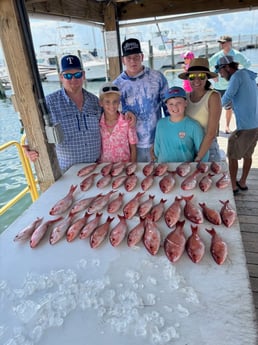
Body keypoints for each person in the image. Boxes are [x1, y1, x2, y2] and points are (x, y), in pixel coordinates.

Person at [24, 54, 135, 173]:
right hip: (67, 171)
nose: (73, 79)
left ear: (83, 75)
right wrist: (27, 148)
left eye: (77, 74)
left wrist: (127, 112)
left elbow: (111, 110)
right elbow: (33, 132)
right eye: (68, 75)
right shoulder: (49, 103)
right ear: (61, 77)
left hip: (97, 168)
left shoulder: (94, 101)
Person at [113, 38, 169, 162]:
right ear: (123, 60)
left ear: (142, 57)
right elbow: (113, 116)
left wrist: (166, 138)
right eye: (128, 58)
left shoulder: (158, 78)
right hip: (130, 146)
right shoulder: (116, 85)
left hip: (157, 142)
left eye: (136, 57)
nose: (132, 61)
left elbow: (169, 111)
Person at [215, 56, 258, 195]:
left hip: (245, 127)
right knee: (247, 154)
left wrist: (211, 109)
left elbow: (227, 96)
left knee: (232, 153)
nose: (220, 74)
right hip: (255, 125)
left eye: (220, 70)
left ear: (227, 67)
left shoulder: (236, 77)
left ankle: (233, 186)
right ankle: (243, 182)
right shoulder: (247, 75)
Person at [178, 57, 222, 162]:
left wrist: (198, 158)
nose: (197, 80)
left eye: (201, 76)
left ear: (207, 77)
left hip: (208, 149)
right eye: (192, 76)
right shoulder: (185, 97)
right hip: (188, 149)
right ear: (188, 78)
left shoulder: (213, 96)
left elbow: (211, 133)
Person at [209, 35, 251, 134]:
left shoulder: (237, 54)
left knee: (229, 108)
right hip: (219, 87)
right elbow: (207, 64)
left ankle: (227, 126)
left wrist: (240, 74)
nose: (221, 44)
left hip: (232, 86)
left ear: (229, 43)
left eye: (223, 42)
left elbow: (248, 64)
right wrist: (213, 75)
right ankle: (215, 127)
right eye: (220, 43)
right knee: (216, 108)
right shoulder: (217, 55)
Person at [154, 86, 208, 163]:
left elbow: (203, 154)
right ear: (166, 105)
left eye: (178, 103)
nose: (175, 107)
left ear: (185, 103)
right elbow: (157, 150)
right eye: (171, 104)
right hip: (163, 170)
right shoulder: (160, 124)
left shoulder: (194, 126)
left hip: (184, 171)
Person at [98, 82, 138, 163]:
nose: (112, 106)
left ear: (119, 102)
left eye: (115, 101)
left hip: (124, 167)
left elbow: (133, 148)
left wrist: (131, 167)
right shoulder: (97, 123)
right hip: (104, 168)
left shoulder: (127, 121)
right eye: (107, 102)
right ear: (101, 103)